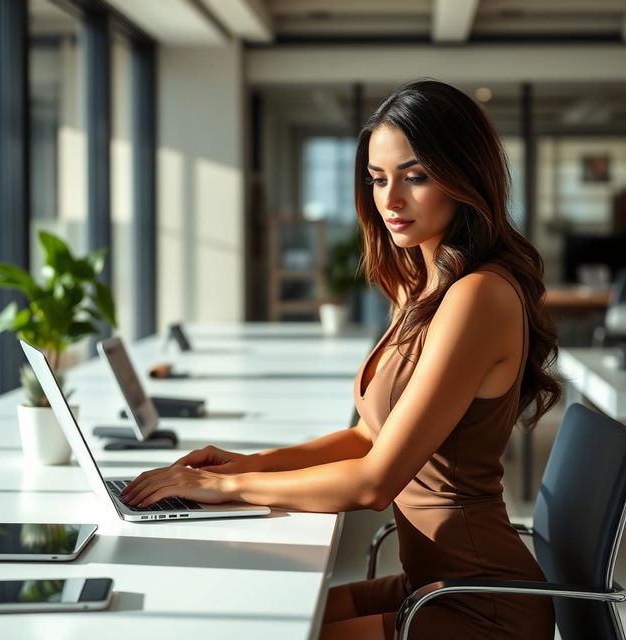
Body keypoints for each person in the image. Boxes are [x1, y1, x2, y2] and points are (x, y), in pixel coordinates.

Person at [122, 80, 560, 639]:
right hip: (426, 583)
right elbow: (366, 438)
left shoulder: (478, 296)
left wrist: (226, 490)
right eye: (378, 179)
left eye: (416, 176)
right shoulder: (424, 285)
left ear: (464, 176)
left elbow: (373, 483)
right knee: (267, 621)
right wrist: (245, 464)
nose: (390, 200)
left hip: (480, 603)